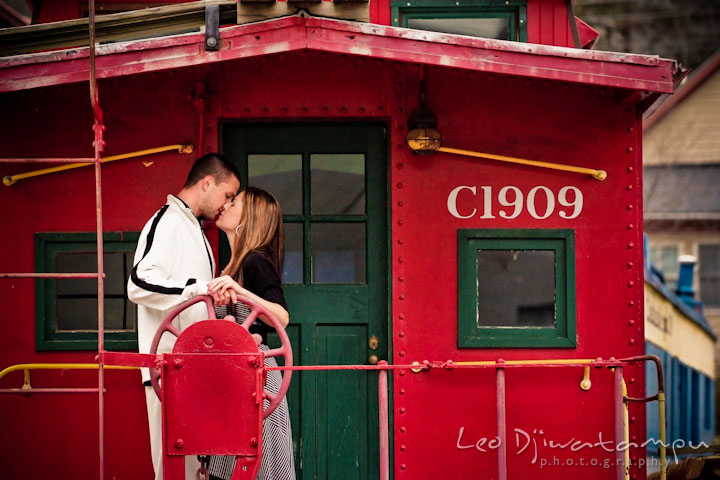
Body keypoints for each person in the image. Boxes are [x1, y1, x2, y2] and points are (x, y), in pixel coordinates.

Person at [127, 153, 241, 480]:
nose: (226, 204)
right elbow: (137, 283)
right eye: (227, 195)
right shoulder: (168, 222)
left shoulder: (197, 232)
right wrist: (195, 288)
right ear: (207, 183)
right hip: (169, 373)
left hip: (194, 372)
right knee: (175, 472)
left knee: (196, 472)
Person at [206, 186, 296, 480]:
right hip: (234, 379)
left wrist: (241, 291)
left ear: (249, 218)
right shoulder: (229, 267)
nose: (226, 205)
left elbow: (281, 316)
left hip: (257, 380)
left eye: (235, 202)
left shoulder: (254, 261)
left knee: (258, 468)